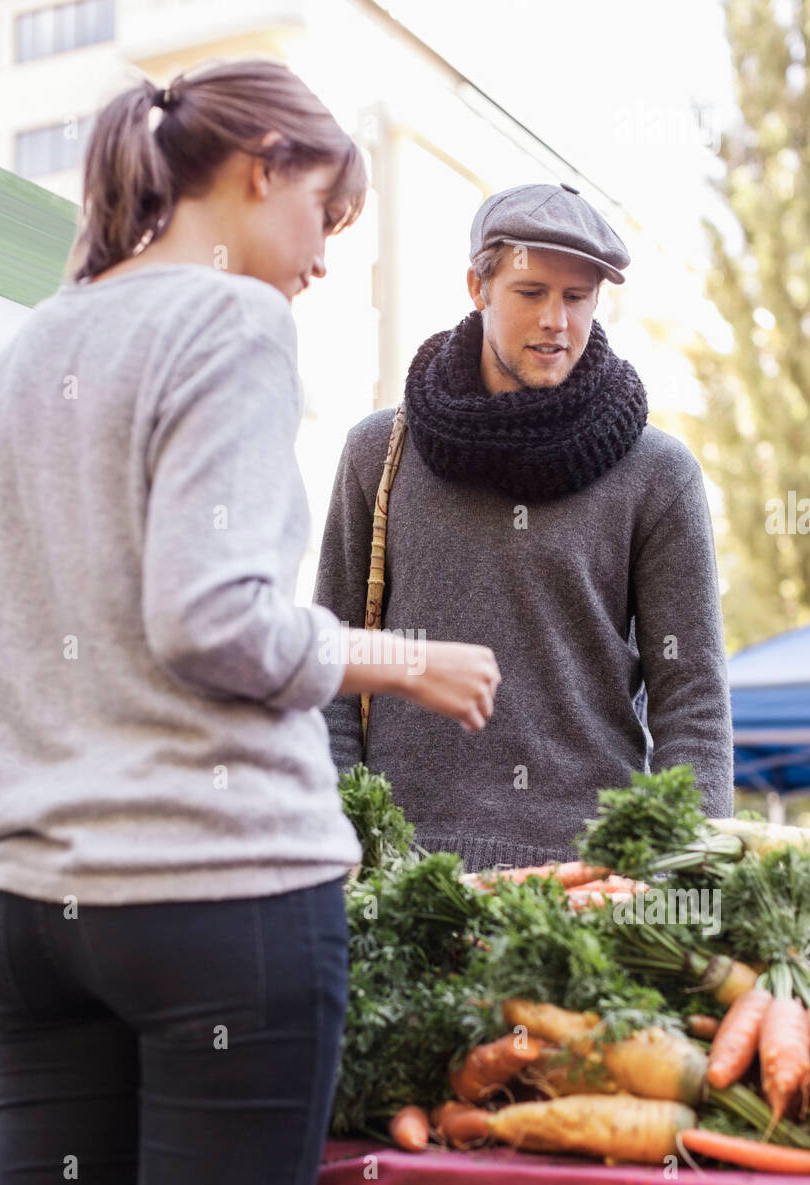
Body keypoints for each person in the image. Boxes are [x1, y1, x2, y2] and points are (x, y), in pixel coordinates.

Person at [0, 57, 500, 1185]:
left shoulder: (34, 347)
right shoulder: (230, 320)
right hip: (219, 904)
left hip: (41, 923)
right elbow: (211, 618)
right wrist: (399, 658)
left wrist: (80, 720)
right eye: (320, 217)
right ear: (259, 169)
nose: (321, 260)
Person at [314, 182, 734, 874]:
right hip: (399, 879)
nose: (556, 322)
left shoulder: (659, 473)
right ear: (477, 285)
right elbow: (328, 661)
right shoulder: (378, 453)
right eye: (531, 292)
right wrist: (335, 845)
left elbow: (691, 700)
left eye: (577, 298)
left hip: (591, 886)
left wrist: (692, 879)